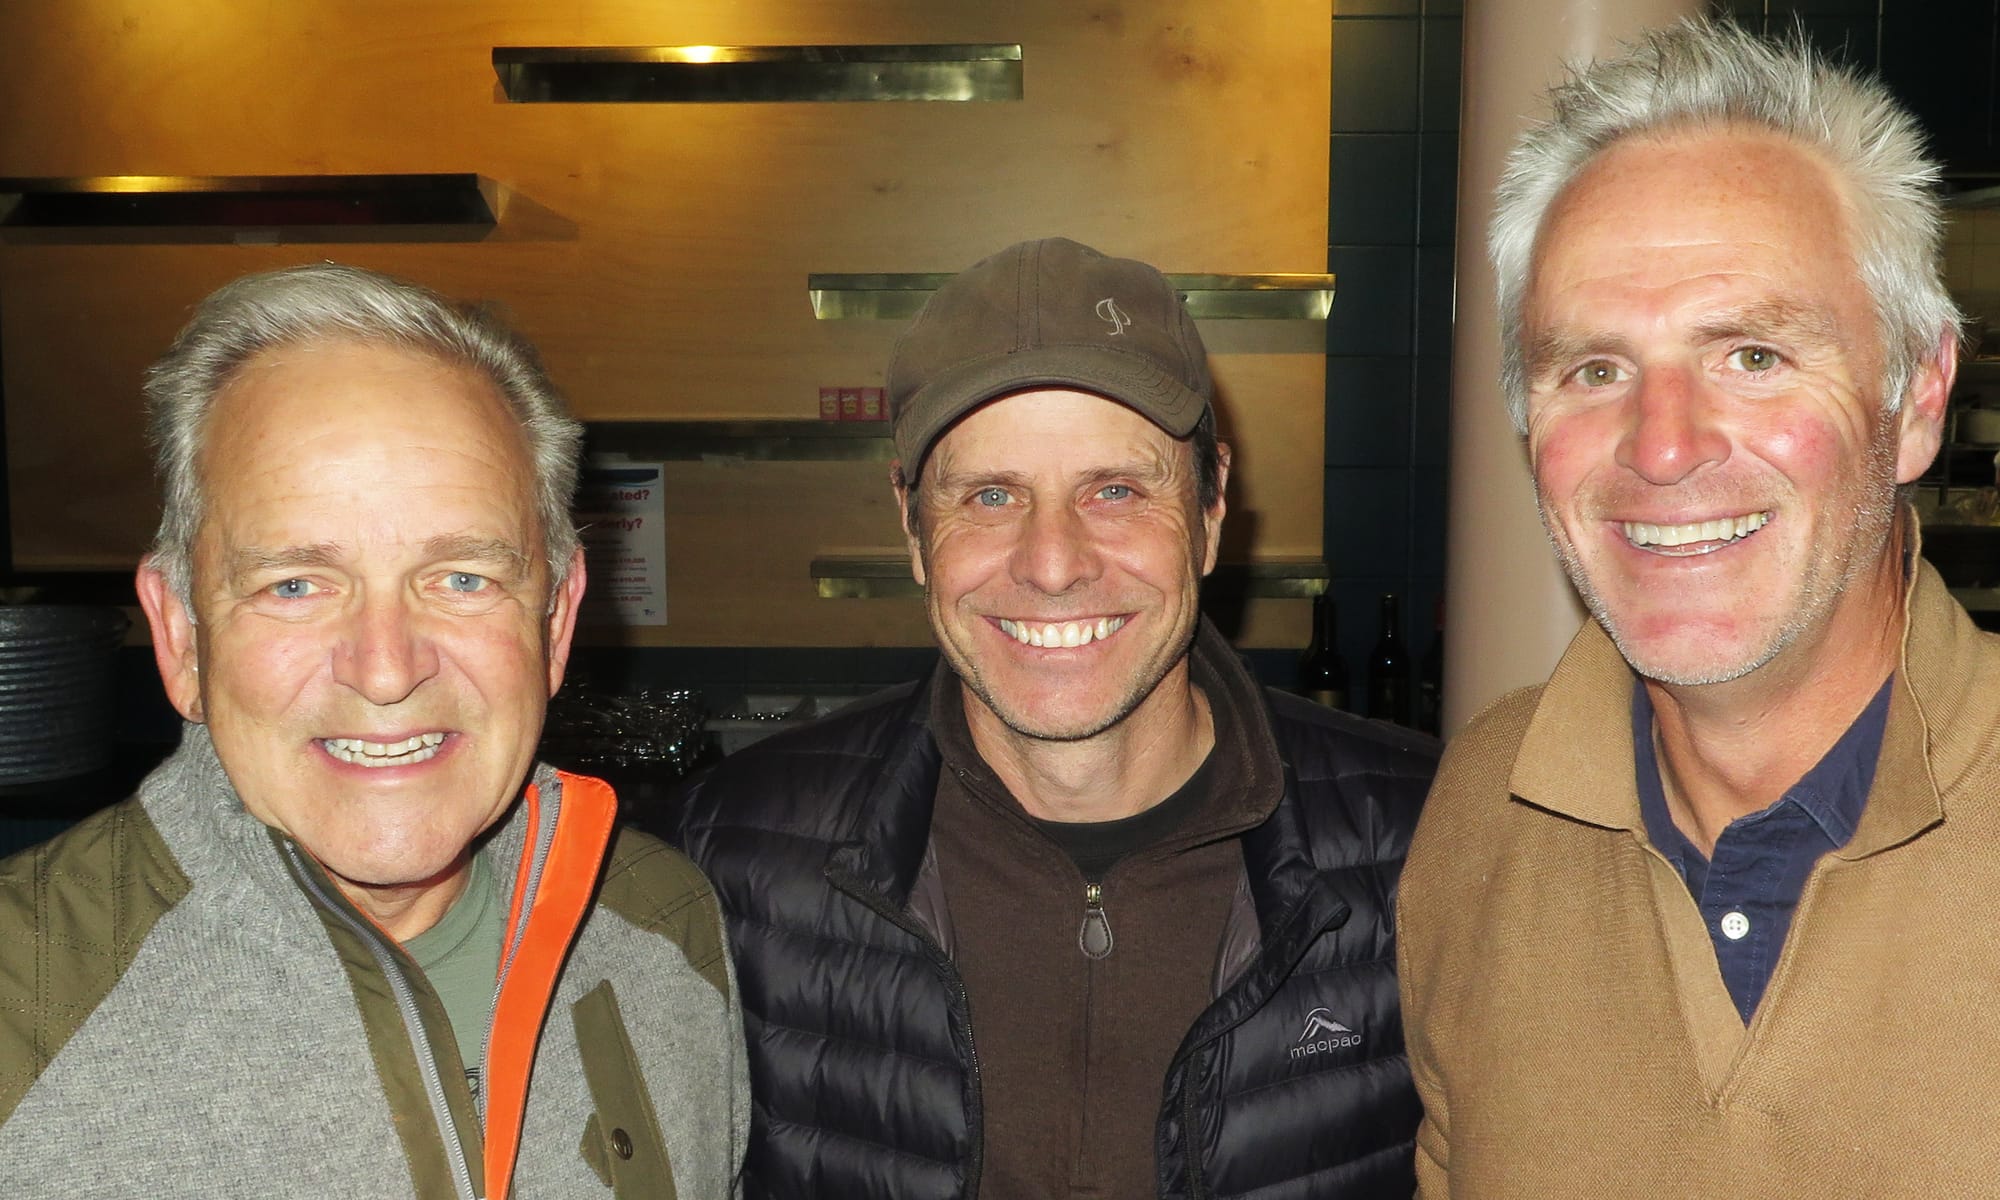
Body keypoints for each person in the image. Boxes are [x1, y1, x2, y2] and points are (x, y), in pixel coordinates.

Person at [665, 237, 1436, 1199]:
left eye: (1115, 490)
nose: (1054, 562)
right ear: (912, 527)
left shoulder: (1431, 843)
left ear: (1210, 509)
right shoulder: (726, 864)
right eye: (990, 496)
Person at [1396, 19, 1996, 1196]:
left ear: (1915, 398)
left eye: (1753, 355)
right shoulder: (1481, 809)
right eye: (1594, 369)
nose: (1661, 447)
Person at [0, 264, 748, 1198]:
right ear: (182, 635)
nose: (388, 668)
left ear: (555, 622)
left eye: (464, 577)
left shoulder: (664, 925)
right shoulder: (18, 1005)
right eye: (296, 585)